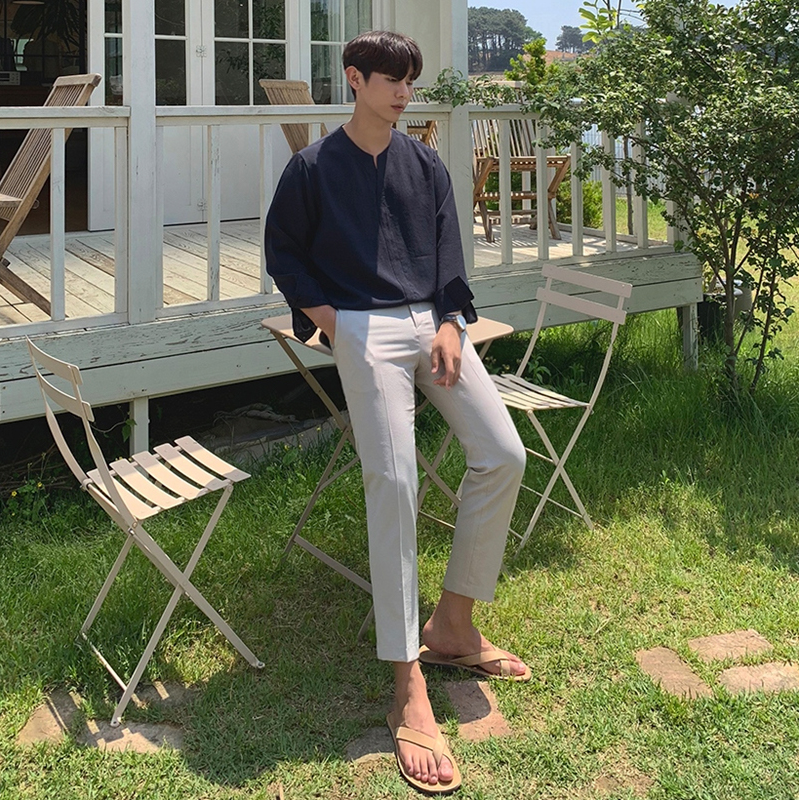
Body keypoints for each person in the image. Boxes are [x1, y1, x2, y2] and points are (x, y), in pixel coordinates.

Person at [265, 30, 529, 794]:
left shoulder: (425, 164)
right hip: (361, 327)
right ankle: (406, 680)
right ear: (355, 79)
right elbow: (285, 253)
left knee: (503, 454)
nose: (405, 93)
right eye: (392, 80)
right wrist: (335, 324)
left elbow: (449, 253)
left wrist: (448, 323)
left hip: (430, 324)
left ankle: (453, 626)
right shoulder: (312, 169)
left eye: (410, 80)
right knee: (395, 480)